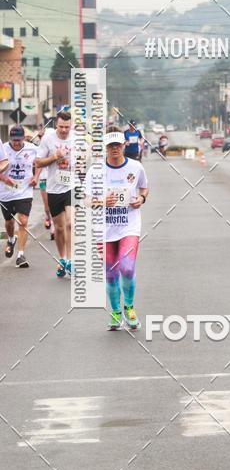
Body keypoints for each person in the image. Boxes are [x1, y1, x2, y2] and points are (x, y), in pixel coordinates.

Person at [86, 130, 149, 331]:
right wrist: (102, 201)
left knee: (128, 267)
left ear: (124, 145)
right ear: (105, 147)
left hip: (129, 226)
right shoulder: (95, 171)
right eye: (110, 145)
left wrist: (142, 199)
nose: (114, 148)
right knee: (111, 273)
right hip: (103, 228)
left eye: (118, 145)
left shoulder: (136, 167)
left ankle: (129, 307)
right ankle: (115, 312)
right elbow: (86, 199)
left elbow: (144, 188)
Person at [35, 109, 73, 277]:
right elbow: (38, 162)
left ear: (71, 125)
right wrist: (55, 156)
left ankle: (71, 261)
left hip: (72, 186)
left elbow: (88, 157)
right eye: (61, 127)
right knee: (58, 228)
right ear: (56, 125)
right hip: (54, 187)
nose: (64, 130)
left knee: (71, 223)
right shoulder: (48, 140)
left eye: (67, 127)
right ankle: (62, 259)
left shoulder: (77, 139)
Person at [0, 125, 38, 268]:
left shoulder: (31, 148)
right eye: (14, 140)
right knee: (9, 222)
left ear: (23, 138)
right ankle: (11, 238)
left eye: (19, 140)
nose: (16, 143)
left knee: (23, 220)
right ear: (10, 138)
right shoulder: (3, 149)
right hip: (6, 191)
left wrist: (36, 176)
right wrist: (4, 179)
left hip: (24, 190)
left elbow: (39, 162)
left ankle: (21, 255)